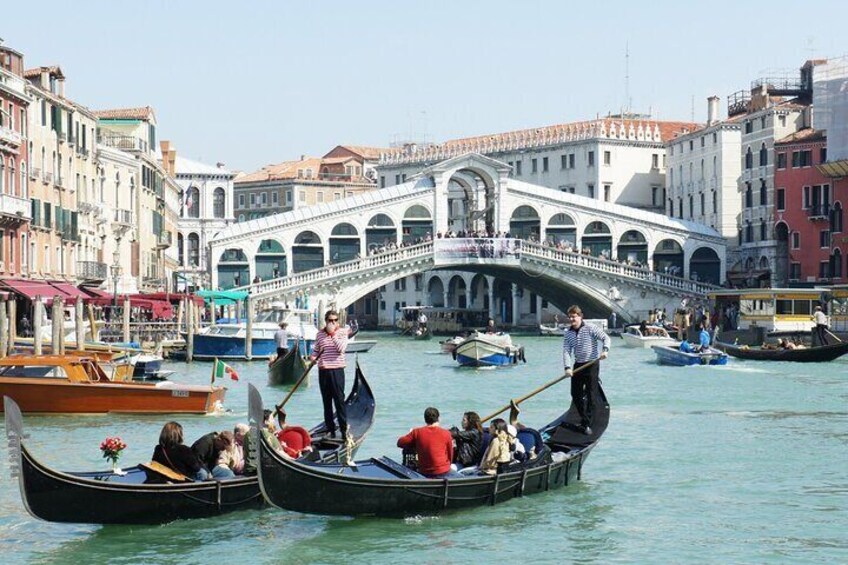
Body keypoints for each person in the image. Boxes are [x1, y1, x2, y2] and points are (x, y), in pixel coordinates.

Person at [562, 305, 610, 435]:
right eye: (570, 317)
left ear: (580, 316)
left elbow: (606, 338)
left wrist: (605, 350)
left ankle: (587, 423)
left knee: (591, 394)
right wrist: (567, 367)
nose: (572, 319)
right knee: (575, 393)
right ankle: (583, 417)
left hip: (592, 364)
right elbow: (566, 351)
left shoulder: (591, 328)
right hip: (578, 365)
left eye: (574, 316)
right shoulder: (568, 333)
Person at [311, 310, 350, 440]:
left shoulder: (343, 332)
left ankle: (344, 430)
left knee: (339, 401)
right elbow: (316, 350)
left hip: (337, 371)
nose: (333, 322)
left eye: (335, 320)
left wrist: (333, 334)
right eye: (330, 320)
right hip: (323, 371)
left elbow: (341, 349)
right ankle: (330, 430)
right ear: (326, 321)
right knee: (326, 402)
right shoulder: (320, 334)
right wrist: (312, 358)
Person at [396, 407, 458, 478]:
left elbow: (400, 443)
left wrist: (414, 442)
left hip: (424, 472)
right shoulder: (446, 433)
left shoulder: (417, 432)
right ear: (438, 418)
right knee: (462, 477)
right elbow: (450, 455)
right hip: (443, 471)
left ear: (425, 419)